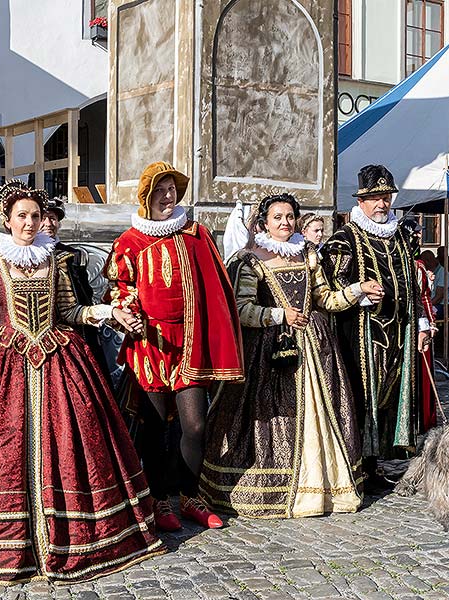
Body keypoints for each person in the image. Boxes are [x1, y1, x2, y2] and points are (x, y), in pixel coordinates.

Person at [0, 181, 163, 584]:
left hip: (59, 356)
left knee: (78, 446)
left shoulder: (55, 261)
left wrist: (109, 311)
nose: (28, 222)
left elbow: (70, 310)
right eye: (21, 216)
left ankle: (76, 537)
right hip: (3, 360)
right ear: (6, 221)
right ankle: (4, 544)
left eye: (34, 216)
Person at [202, 194, 379, 518]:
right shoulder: (249, 259)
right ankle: (272, 491)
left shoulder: (309, 253)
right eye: (277, 217)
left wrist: (357, 290)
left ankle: (321, 489)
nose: (285, 223)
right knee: (272, 419)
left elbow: (325, 298)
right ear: (264, 223)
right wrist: (280, 315)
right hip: (270, 352)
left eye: (289, 216)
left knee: (321, 414)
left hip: (315, 348)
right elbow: (241, 310)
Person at [105, 161, 244, 531]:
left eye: (172, 190)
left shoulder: (195, 233)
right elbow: (122, 289)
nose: (168, 197)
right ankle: (159, 500)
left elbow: (215, 288)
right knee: (152, 428)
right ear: (146, 197)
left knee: (195, 425)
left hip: (190, 342)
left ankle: (189, 495)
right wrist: (128, 312)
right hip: (150, 344)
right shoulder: (130, 241)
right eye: (160, 191)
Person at [321, 165, 432, 485]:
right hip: (363, 334)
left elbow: (413, 282)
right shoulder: (345, 239)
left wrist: (422, 323)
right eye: (375, 198)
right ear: (362, 202)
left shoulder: (400, 234)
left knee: (391, 398)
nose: (382, 204)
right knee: (363, 396)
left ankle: (376, 463)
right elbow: (333, 286)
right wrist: (362, 293)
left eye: (385, 197)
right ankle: (359, 465)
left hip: (401, 329)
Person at [40, 196, 109, 381]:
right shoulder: (24, 255)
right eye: (44, 218)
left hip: (72, 329)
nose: (48, 223)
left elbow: (84, 294)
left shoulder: (72, 256)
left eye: (53, 218)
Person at [400, 218, 439, 433]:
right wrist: (425, 324)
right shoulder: (408, 265)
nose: (418, 237)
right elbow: (417, 298)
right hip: (412, 326)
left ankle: (424, 419)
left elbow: (425, 297)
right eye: (414, 234)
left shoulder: (419, 265)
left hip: (422, 322)